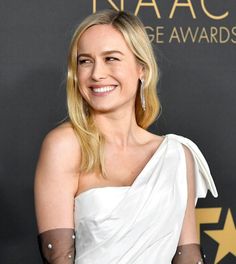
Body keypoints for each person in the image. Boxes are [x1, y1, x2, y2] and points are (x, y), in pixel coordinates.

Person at [34, 9, 218, 264]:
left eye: (111, 58)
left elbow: (187, 255)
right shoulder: (65, 146)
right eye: (85, 61)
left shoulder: (177, 154)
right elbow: (58, 257)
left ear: (141, 68)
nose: (96, 73)